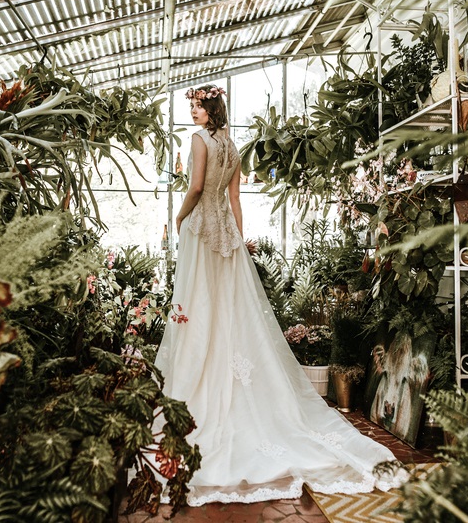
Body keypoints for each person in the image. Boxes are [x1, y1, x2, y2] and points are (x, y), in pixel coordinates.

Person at [153, 84, 403, 506]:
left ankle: (200, 379)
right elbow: (234, 199)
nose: (192, 112)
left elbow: (196, 189)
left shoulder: (198, 141)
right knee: (228, 311)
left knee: (197, 306)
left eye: (196, 106)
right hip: (227, 237)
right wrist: (237, 237)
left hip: (199, 232)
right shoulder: (231, 146)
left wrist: (179, 219)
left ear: (209, 108)